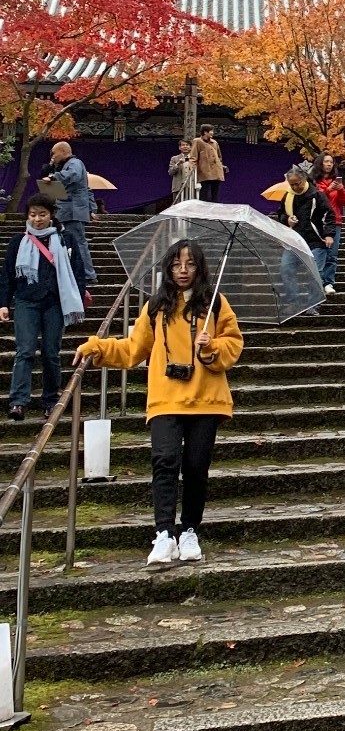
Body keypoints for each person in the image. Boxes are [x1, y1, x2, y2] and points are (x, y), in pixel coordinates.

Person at [77, 239, 242, 567]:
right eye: (177, 264)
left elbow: (234, 344)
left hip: (206, 400)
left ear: (200, 268)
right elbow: (132, 350)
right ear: (167, 268)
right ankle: (164, 533)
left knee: (196, 468)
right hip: (166, 399)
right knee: (164, 462)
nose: (183, 270)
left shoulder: (216, 304)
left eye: (190, 264)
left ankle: (190, 530)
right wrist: (96, 347)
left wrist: (211, 348)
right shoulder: (155, 307)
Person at [1, 193, 85, 422]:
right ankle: (18, 401)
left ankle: (50, 401)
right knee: (25, 351)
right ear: (27, 216)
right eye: (33, 215)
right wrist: (3, 304)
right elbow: (7, 275)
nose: (37, 219)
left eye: (42, 214)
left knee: (51, 353)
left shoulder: (65, 239)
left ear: (51, 215)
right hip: (26, 300)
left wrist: (76, 298)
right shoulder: (19, 241)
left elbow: (78, 271)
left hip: (55, 302)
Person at [277, 166, 336, 304]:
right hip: (295, 239)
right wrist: (287, 219)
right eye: (292, 184)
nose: (295, 187)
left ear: (304, 179)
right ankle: (294, 302)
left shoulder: (317, 195)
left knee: (314, 273)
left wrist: (329, 234)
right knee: (286, 269)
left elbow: (329, 214)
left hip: (316, 239)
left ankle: (313, 304)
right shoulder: (287, 196)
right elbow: (280, 214)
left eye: (298, 183)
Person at [45, 140, 98, 286]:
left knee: (78, 242)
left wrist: (53, 177)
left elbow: (72, 175)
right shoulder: (68, 166)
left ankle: (88, 273)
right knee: (73, 242)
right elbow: (86, 189)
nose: (53, 157)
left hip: (73, 210)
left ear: (62, 151)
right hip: (69, 209)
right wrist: (91, 209)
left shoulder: (75, 163)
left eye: (54, 153)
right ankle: (80, 272)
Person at [313, 153, 345, 294]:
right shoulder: (314, 181)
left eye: (331, 162)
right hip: (318, 220)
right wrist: (328, 190)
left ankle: (329, 282)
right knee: (318, 253)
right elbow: (316, 198)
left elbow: (344, 202)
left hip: (335, 219)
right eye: (326, 161)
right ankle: (318, 281)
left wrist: (341, 190)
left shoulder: (336, 181)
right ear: (320, 163)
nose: (329, 164)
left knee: (332, 253)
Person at [192, 126, 226, 202]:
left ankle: (214, 208)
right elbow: (194, 156)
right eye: (211, 131)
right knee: (205, 192)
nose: (212, 133)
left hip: (216, 171)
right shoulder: (197, 141)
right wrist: (192, 166)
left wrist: (220, 165)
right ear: (205, 132)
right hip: (205, 170)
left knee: (215, 193)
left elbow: (219, 156)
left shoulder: (214, 142)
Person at [168, 139, 197, 205]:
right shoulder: (174, 158)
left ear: (191, 147)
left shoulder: (195, 158)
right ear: (179, 147)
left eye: (187, 145)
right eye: (183, 145)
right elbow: (170, 172)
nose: (185, 146)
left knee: (191, 206)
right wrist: (178, 164)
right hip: (178, 186)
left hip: (192, 186)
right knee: (177, 206)